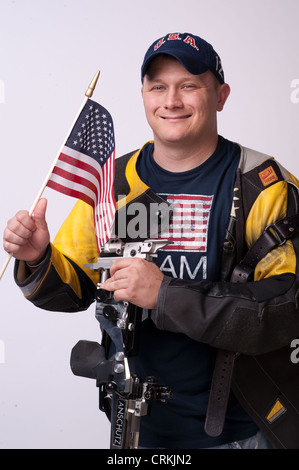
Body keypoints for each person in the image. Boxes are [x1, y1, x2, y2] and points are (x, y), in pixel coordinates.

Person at [3, 32, 299, 449]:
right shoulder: (115, 183)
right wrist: (38, 260)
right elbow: (74, 289)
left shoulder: (261, 185)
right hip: (135, 430)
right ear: (143, 95)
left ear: (221, 95)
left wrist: (165, 295)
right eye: (157, 86)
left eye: (189, 85)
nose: (171, 100)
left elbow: (285, 309)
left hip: (240, 432)